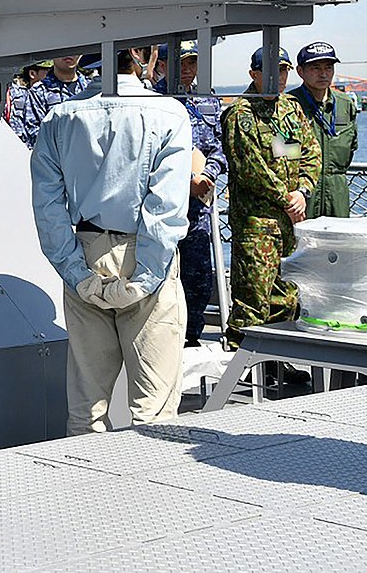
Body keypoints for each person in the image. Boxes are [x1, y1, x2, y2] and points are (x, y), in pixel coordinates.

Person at [31, 46, 192, 435]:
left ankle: (81, 491)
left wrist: (76, 273)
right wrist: (145, 278)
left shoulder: (61, 116)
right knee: (153, 409)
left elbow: (48, 207)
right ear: (140, 55)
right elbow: (166, 209)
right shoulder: (168, 112)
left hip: (85, 252)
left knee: (86, 407)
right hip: (144, 253)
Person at [221, 46, 321, 351]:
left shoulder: (289, 109)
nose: (278, 78)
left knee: (287, 296)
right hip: (257, 226)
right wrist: (287, 200)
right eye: (270, 72)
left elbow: (310, 153)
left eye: (283, 71)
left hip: (289, 223)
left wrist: (302, 192)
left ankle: (278, 361)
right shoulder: (241, 114)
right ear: (254, 75)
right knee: (253, 298)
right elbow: (252, 169)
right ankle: (241, 367)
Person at [155, 42, 226, 347]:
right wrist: (186, 181)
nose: (186, 70)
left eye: (192, 63)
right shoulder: (150, 99)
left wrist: (208, 173)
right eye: (180, 63)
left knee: (198, 275)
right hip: (161, 205)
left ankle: (192, 336)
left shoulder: (208, 100)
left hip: (197, 208)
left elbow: (219, 147)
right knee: (159, 275)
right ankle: (162, 340)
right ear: (163, 64)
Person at [289, 42, 358, 219]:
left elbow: (351, 147)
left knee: (338, 243)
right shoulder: (288, 105)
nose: (324, 73)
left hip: (337, 192)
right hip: (300, 193)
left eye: (328, 67)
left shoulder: (345, 104)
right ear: (300, 71)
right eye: (315, 68)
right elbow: (278, 149)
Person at [17, 55, 90, 149]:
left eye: (75, 49)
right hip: (56, 160)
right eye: (63, 48)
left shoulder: (90, 88)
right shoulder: (39, 91)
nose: (69, 53)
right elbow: (34, 134)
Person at [5, 60, 51, 140]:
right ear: (32, 74)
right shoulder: (15, 95)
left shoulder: (49, 96)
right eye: (47, 71)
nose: (51, 74)